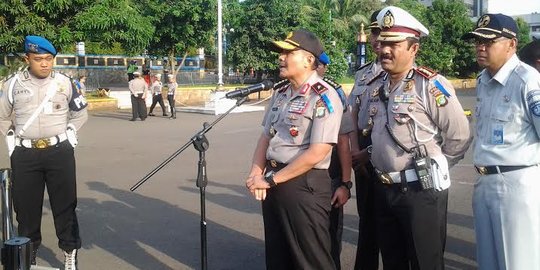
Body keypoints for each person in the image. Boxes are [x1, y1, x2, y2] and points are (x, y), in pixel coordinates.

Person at [368, 7, 472, 269]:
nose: (384, 50)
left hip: (420, 191)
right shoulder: (378, 85)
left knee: (425, 262)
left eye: (393, 44)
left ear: (414, 49)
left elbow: (459, 135)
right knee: (393, 261)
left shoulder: (430, 85)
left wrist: (437, 166)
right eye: (382, 43)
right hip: (385, 188)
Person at [245, 29, 343, 270]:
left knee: (311, 260)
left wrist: (270, 180)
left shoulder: (324, 96)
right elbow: (265, 138)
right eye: (281, 52)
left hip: (305, 186)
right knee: (279, 258)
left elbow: (317, 152)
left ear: (309, 60)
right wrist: (255, 173)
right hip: (274, 182)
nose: (281, 57)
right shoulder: (280, 93)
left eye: (288, 52)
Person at [0, 35, 88, 270]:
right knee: (26, 210)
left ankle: (70, 252)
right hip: (25, 155)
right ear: (27, 58)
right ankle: (29, 253)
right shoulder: (12, 85)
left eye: (49, 59)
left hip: (59, 152)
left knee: (65, 205)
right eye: (38, 59)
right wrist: (11, 137)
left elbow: (81, 113)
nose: (45, 64)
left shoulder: (65, 83)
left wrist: (70, 131)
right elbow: (1, 115)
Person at [463, 14, 540, 270]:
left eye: (489, 42)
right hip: (484, 182)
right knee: (489, 263)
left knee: (518, 263)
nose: (480, 47)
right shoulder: (483, 81)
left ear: (512, 44)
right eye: (477, 42)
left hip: (517, 185)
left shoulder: (527, 81)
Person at [348, 9, 383, 270]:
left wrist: (368, 152)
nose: (377, 38)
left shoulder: (408, 76)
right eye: (374, 32)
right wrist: (354, 152)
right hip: (361, 155)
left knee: (394, 228)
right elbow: (352, 115)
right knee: (367, 223)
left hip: (389, 156)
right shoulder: (362, 74)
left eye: (381, 32)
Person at [317, 52, 354, 270]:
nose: (317, 70)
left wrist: (345, 183)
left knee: (330, 236)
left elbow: (343, 142)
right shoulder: (285, 90)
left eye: (321, 66)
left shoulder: (335, 92)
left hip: (329, 175)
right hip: (297, 180)